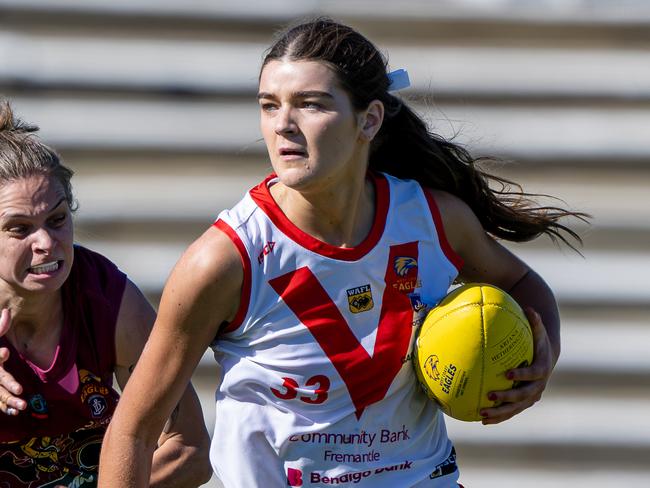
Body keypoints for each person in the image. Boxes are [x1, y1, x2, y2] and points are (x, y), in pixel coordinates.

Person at [98, 18, 587, 487]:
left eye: (309, 104)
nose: (283, 125)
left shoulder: (433, 220)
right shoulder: (225, 260)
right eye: (269, 105)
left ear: (369, 120)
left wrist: (541, 360)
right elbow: (135, 431)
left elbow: (523, 284)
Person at [0, 101, 213, 487]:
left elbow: (190, 450)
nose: (47, 242)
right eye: (19, 228)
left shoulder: (107, 300)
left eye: (58, 219)